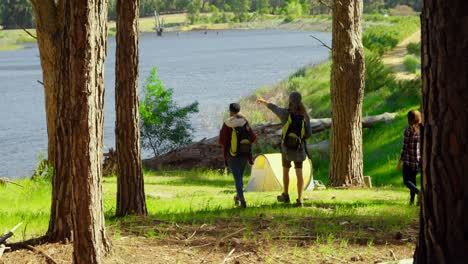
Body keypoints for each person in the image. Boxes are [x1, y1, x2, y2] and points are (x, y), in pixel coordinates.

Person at [256, 92, 312, 207]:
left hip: (286, 148)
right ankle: (300, 199)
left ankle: (286, 195)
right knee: (299, 173)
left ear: (290, 101)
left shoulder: (285, 114)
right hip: (299, 148)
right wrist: (300, 139)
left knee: (286, 171)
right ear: (300, 100)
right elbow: (309, 134)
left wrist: (264, 102)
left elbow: (274, 108)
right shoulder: (305, 116)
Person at [218, 103, 257, 208]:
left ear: (230, 111)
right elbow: (253, 138)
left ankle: (242, 200)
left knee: (237, 178)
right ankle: (238, 196)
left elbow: (221, 140)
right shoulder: (245, 122)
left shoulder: (227, 124)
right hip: (244, 154)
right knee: (240, 177)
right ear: (239, 111)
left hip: (232, 155)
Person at [397, 109, 422, 205]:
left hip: (408, 161)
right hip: (417, 161)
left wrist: (400, 161)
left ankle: (419, 192)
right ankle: (412, 201)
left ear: (409, 119)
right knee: (413, 180)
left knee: (406, 181)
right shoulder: (421, 129)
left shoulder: (408, 130)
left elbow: (405, 147)